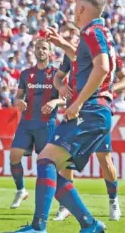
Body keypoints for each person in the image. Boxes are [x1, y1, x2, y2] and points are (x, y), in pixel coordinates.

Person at [1, 0, 114, 233]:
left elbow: (103, 66)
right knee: (53, 169)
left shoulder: (92, 31)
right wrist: (62, 43)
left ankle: (41, 226)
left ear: (83, 9)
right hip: (93, 111)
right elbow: (84, 60)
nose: (73, 11)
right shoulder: (95, 33)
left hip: (90, 109)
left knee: (46, 161)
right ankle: (87, 224)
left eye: (76, 7)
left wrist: (76, 103)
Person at [51, 31, 122, 222]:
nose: (76, 40)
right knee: (65, 157)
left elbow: (122, 77)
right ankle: (65, 205)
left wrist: (109, 90)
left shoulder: (102, 53)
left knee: (104, 159)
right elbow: (57, 77)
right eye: (74, 38)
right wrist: (61, 87)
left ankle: (113, 201)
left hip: (96, 111)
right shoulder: (70, 56)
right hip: (74, 111)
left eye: (77, 37)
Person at [8, 39, 65, 209]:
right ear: (34, 51)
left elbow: (66, 97)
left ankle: (64, 203)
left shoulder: (57, 74)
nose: (41, 50)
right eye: (38, 48)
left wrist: (55, 102)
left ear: (50, 52)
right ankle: (21, 190)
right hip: (26, 123)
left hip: (46, 124)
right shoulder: (26, 74)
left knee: (48, 165)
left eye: (44, 48)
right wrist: (18, 102)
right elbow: (17, 97)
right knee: (14, 156)